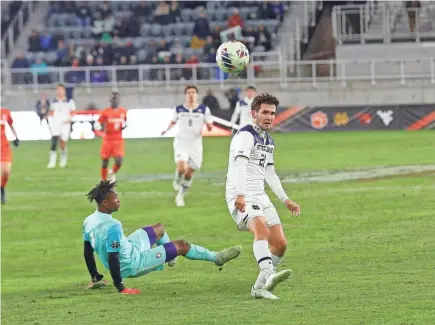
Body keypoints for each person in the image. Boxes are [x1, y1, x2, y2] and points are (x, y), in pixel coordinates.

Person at [83, 181, 242, 294]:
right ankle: (217, 258)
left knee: (159, 228)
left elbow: (87, 252)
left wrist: (95, 277)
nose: (118, 200)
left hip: (130, 247)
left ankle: (169, 257)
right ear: (105, 202)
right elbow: (113, 258)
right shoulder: (113, 226)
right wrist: (121, 287)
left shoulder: (88, 221)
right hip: (133, 263)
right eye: (115, 198)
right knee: (182, 245)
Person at [225, 93, 301, 300]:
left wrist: (285, 199)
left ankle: (259, 288)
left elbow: (269, 173)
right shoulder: (245, 136)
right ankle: (268, 273)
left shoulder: (268, 140)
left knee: (280, 244)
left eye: (272, 113)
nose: (269, 117)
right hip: (241, 195)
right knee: (261, 227)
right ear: (254, 113)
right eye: (265, 112)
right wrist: (240, 194)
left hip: (260, 196)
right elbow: (240, 165)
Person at [161, 85, 213, 207]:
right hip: (181, 142)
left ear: (197, 95)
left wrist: (209, 126)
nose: (191, 94)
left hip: (195, 145)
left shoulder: (204, 109)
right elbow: (173, 121)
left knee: (189, 173)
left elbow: (209, 125)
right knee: (181, 167)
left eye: (193, 92)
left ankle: (180, 195)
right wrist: (166, 130)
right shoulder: (178, 109)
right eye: (189, 92)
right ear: (186, 95)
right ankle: (177, 178)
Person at [94, 91, 127, 182]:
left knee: (119, 161)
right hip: (108, 139)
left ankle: (112, 172)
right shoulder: (105, 112)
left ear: (119, 100)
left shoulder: (123, 111)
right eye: (113, 98)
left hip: (118, 139)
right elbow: (97, 124)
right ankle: (104, 181)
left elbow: (125, 123)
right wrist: (100, 131)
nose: (114, 100)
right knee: (105, 161)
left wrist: (124, 126)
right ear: (110, 100)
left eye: (116, 98)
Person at [47, 84, 76, 168]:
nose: (59, 91)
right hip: (56, 123)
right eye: (58, 90)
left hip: (65, 124)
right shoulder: (54, 101)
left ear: (64, 91)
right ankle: (52, 161)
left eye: (61, 90)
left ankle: (63, 156)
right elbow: (51, 111)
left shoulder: (69, 101)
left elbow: (73, 111)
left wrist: (69, 118)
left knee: (62, 142)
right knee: (54, 140)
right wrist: (52, 118)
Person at [0, 107, 19, 204]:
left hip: (4, 147)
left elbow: (11, 125)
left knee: (6, 172)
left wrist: (16, 137)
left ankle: (2, 187)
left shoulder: (5, 112)